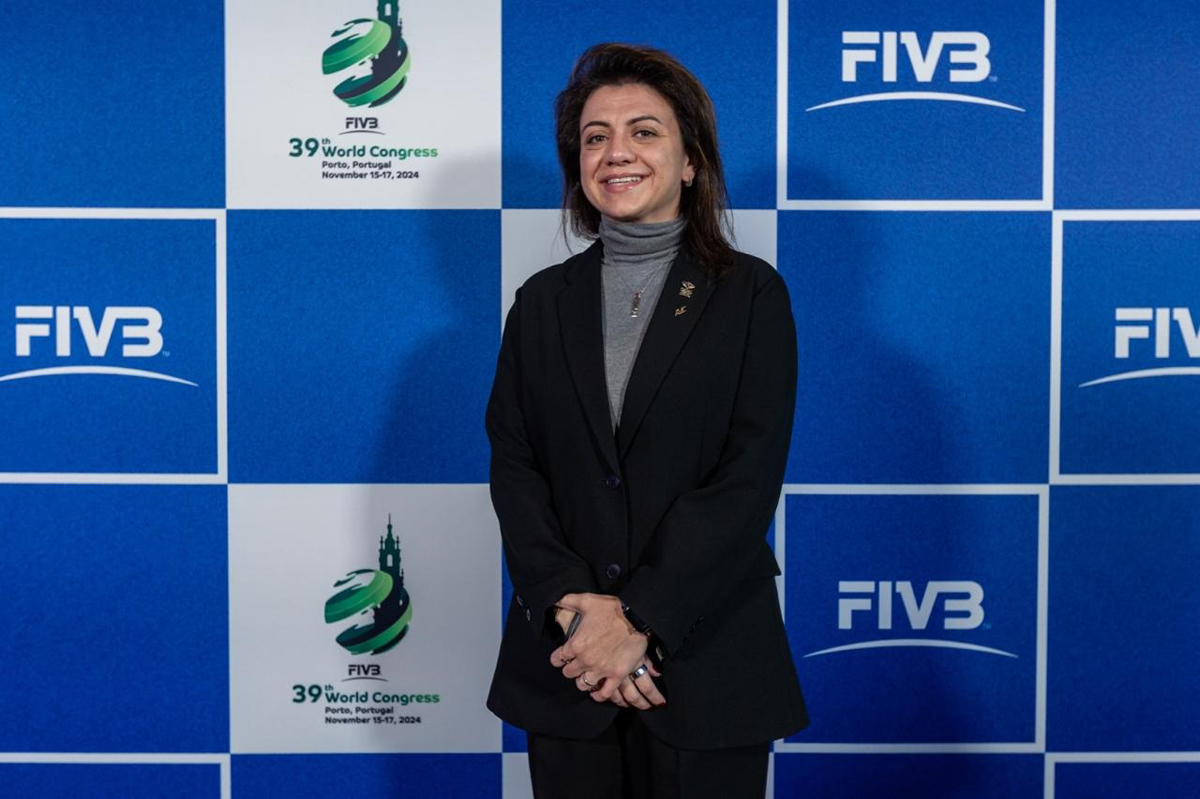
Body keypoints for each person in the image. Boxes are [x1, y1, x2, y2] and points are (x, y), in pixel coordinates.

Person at [486, 42, 807, 798]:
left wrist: (638, 622)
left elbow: (746, 479)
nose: (616, 152)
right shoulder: (541, 302)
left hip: (705, 660)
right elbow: (515, 466)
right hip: (570, 664)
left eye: (644, 131)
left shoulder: (751, 295)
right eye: (595, 136)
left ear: (691, 161)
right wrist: (575, 613)